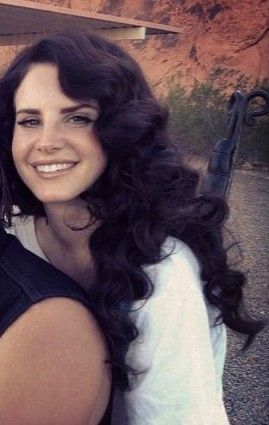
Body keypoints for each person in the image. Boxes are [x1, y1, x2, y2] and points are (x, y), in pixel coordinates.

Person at [0, 32, 263, 424]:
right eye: (30, 121)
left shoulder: (162, 275)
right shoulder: (20, 234)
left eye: (77, 118)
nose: (47, 142)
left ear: (120, 129)